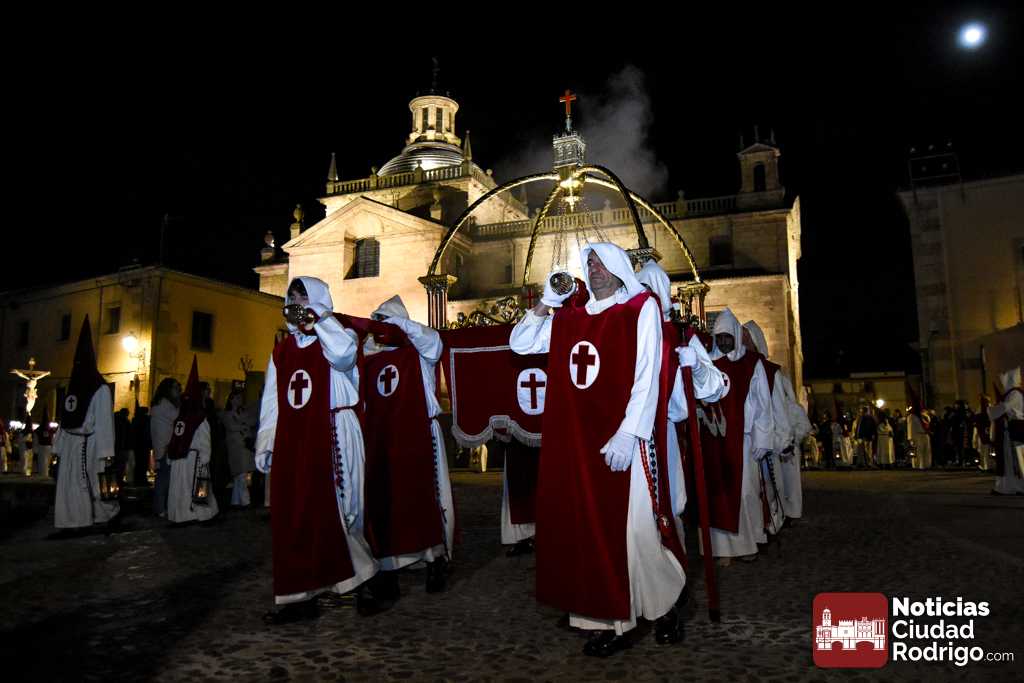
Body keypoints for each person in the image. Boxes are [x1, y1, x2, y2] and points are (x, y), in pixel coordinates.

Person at [510, 243, 684, 656]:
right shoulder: (569, 318)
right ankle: (607, 622)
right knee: (586, 531)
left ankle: (666, 606)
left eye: (602, 262)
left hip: (623, 440)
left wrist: (629, 432)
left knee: (636, 531)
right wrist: (546, 302)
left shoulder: (638, 308)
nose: (595, 268)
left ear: (619, 268)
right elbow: (520, 344)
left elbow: (647, 374)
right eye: (589, 263)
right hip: (577, 443)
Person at [255, 277, 377, 624]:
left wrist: (319, 319)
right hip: (295, 439)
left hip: (335, 430)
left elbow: (343, 356)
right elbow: (272, 400)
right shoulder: (281, 351)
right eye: (292, 296)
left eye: (303, 296)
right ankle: (299, 596)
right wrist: (266, 441)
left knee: (341, 511)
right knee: (296, 514)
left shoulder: (339, 335)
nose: (296, 302)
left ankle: (365, 583)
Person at [351, 294, 455, 606]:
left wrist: (400, 325)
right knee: (385, 503)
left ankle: (435, 560)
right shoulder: (369, 357)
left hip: (419, 434)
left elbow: (434, 344)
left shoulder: (419, 351)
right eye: (378, 322)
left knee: (422, 498)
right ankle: (388, 568)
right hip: (381, 438)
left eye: (387, 321)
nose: (382, 328)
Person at [638, 261, 726, 563]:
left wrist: (697, 365)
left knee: (666, 504)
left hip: (662, 432)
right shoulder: (623, 328)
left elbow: (714, 387)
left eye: (650, 291)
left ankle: (670, 574)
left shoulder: (681, 334)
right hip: (626, 434)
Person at [700, 309, 773, 563]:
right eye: (719, 337)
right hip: (713, 440)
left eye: (727, 337)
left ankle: (747, 545)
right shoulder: (708, 363)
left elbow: (763, 404)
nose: (722, 342)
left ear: (736, 336)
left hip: (744, 440)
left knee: (745, 492)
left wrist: (763, 438)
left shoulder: (751, 364)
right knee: (716, 494)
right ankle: (722, 550)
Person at [52, 317, 121, 533]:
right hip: (77, 444)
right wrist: (59, 446)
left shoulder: (99, 389)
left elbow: (104, 421)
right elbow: (65, 419)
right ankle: (74, 519)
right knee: (72, 485)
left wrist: (106, 452)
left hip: (90, 444)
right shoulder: (76, 387)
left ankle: (103, 515)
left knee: (93, 484)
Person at [743, 320, 811, 522]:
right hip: (755, 437)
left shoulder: (771, 372)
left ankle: (783, 514)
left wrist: (783, 439)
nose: (743, 342)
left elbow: (780, 407)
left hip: (774, 436)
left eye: (747, 338)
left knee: (779, 481)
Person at [165, 358, 219, 524]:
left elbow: (174, 438)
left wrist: (170, 457)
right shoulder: (199, 418)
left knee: (179, 488)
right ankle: (197, 514)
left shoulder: (180, 417)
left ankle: (180, 515)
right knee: (192, 487)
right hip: (193, 458)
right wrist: (205, 458)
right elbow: (205, 440)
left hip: (180, 459)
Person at [988, 366, 1024, 495]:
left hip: (1013, 431)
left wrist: (991, 410)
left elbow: (1005, 407)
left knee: (1015, 460)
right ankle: (1008, 487)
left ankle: (1018, 486)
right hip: (1010, 431)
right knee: (1010, 461)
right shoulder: (1014, 393)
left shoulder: (1015, 394)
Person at [150, 377, 181, 517]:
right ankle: (160, 508)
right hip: (165, 446)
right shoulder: (164, 404)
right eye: (175, 388)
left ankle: (161, 507)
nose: (178, 390)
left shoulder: (159, 403)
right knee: (164, 479)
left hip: (162, 445)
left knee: (163, 478)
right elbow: (177, 416)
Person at [221, 389, 255, 508]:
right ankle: (246, 501)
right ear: (232, 400)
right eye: (237, 398)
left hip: (244, 447)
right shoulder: (227, 414)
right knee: (241, 474)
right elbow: (232, 426)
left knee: (240, 475)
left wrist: (242, 424)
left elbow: (251, 421)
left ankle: (235, 501)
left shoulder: (243, 412)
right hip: (235, 448)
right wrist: (243, 424)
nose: (240, 400)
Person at [132, 406, 152, 486]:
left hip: (137, 445)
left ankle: (137, 479)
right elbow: (148, 433)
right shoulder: (146, 420)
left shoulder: (135, 420)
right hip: (144, 445)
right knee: (143, 463)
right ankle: (142, 480)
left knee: (138, 463)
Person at [34, 408, 53, 478]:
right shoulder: (50, 430)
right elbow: (53, 440)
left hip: (42, 447)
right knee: (45, 462)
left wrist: (35, 449)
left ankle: (43, 475)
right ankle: (44, 475)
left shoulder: (39, 429)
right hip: (47, 447)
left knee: (42, 462)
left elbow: (36, 439)